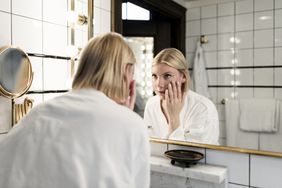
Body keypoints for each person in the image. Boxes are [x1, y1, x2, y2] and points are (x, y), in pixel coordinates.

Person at [0, 32, 150, 188]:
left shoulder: (36, 114)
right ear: (126, 72)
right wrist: (124, 117)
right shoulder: (132, 126)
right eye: (132, 75)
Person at [144, 48, 219, 145]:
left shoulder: (203, 108)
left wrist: (174, 117)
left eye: (167, 76)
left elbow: (190, 154)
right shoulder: (151, 104)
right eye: (154, 76)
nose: (159, 84)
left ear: (183, 77)